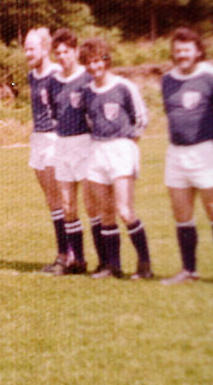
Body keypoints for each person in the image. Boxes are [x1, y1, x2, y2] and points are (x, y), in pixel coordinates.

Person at [158, 28, 213, 289]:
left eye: (187, 50)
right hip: (176, 153)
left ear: (198, 51)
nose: (182, 55)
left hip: (206, 151)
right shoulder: (167, 80)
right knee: (181, 215)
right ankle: (189, 270)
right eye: (178, 50)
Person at [80, 38, 153, 280]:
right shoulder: (88, 92)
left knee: (124, 210)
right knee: (105, 212)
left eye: (97, 60)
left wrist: (129, 144)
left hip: (121, 149)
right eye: (89, 62)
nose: (94, 66)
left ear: (106, 60)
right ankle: (113, 266)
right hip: (97, 150)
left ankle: (145, 264)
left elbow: (141, 118)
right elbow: (90, 121)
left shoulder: (124, 86)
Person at [48, 28, 99, 275]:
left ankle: (104, 261)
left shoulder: (88, 78)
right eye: (58, 53)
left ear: (76, 51)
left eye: (66, 52)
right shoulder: (53, 82)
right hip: (62, 145)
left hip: (85, 144)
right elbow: (54, 113)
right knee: (68, 206)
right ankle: (78, 260)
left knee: (92, 205)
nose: (62, 57)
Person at [24, 28, 69, 273]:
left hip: (54, 138)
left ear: (45, 48)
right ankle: (64, 253)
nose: (27, 53)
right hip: (38, 139)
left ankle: (68, 255)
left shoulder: (57, 74)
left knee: (60, 199)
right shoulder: (32, 76)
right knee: (51, 200)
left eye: (31, 48)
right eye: (25, 49)